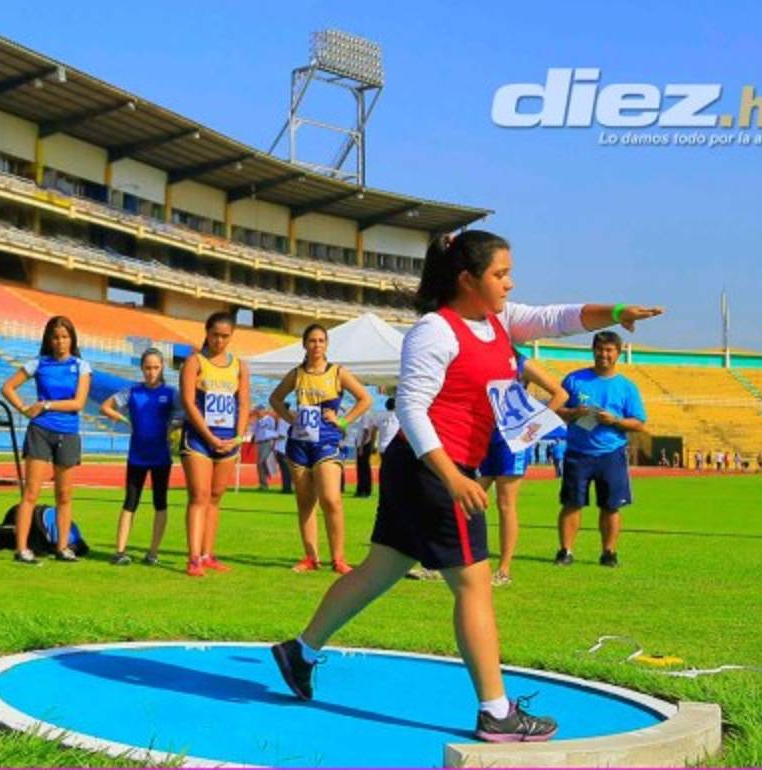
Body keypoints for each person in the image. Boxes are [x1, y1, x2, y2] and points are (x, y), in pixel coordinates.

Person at [269, 229, 662, 742]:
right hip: (434, 470)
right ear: (466, 279)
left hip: (425, 470)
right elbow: (410, 408)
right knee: (474, 585)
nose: (509, 283)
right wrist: (452, 476)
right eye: (500, 274)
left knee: (381, 569)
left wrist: (616, 312)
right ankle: (496, 712)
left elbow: (556, 318)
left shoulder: (498, 320)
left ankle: (299, 652)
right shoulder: (436, 330)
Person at [270, 324, 373, 574]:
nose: (317, 345)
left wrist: (344, 421)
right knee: (305, 502)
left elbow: (365, 399)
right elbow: (275, 398)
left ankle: (338, 558)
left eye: (321, 341)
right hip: (299, 443)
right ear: (304, 345)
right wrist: (289, 416)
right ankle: (311, 557)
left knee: (331, 499)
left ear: (326, 345)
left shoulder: (337, 372)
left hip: (327, 441)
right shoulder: (297, 374)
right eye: (312, 341)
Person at [0, 315, 91, 565]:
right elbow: (7, 387)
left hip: (68, 433)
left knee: (64, 496)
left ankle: (62, 548)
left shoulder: (81, 366)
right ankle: (22, 549)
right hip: (40, 431)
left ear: (72, 339)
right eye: (56, 337)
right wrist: (24, 409)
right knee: (31, 493)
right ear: (49, 340)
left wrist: (46, 404)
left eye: (65, 337)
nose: (61, 342)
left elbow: (78, 403)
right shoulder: (38, 363)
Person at [555, 331, 647, 569]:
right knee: (572, 504)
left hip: (611, 453)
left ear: (618, 352)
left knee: (611, 506)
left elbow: (638, 422)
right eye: (600, 349)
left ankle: (609, 552)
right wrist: (574, 413)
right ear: (593, 350)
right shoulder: (574, 380)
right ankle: (565, 551)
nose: (604, 354)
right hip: (578, 452)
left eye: (609, 350)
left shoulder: (627, 387)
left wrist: (615, 421)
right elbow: (556, 411)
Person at [477, 354, 566, 586]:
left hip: (512, 442)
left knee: (505, 504)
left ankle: (503, 570)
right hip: (482, 436)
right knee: (465, 500)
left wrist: (533, 426)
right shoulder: (478, 353)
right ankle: (446, 562)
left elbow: (560, 394)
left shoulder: (519, 360)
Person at [178, 311, 250, 577]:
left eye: (225, 336)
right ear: (206, 333)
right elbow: (188, 402)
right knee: (199, 495)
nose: (219, 341)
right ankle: (194, 557)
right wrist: (209, 436)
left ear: (232, 336)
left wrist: (239, 436)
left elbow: (243, 403)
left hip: (229, 439)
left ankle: (208, 554)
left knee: (216, 497)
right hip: (199, 438)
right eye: (215, 335)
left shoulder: (239, 366)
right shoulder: (194, 362)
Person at [100, 347, 178, 566]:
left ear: (162, 367)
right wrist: (123, 419)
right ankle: (120, 551)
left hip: (161, 457)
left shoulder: (171, 393)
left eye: (155, 367)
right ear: (142, 368)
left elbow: (186, 413)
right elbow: (105, 407)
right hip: (137, 457)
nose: (151, 372)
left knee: (160, 503)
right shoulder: (132, 392)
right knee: (130, 503)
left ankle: (153, 553)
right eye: (147, 368)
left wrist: (174, 426)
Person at [252, 407, 278, 491]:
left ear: (263, 411)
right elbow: (255, 432)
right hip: (259, 443)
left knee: (261, 463)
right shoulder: (257, 421)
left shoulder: (270, 420)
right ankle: (263, 484)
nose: (258, 413)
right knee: (260, 464)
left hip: (267, 442)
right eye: (257, 411)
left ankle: (264, 484)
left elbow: (272, 431)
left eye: (259, 411)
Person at [353, 409, 377, 498]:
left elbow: (366, 431)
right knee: (362, 468)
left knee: (363, 468)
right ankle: (361, 490)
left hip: (364, 445)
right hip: (362, 444)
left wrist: (361, 447)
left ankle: (365, 491)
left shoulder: (366, 414)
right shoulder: (367, 414)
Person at [274, 405, 293, 494]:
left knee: (285, 471)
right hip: (286, 448)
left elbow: (282, 435)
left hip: (282, 448)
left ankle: (286, 488)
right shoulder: (289, 420)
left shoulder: (283, 421)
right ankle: (286, 487)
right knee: (286, 470)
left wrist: (272, 435)